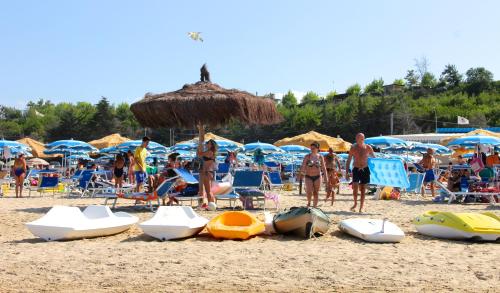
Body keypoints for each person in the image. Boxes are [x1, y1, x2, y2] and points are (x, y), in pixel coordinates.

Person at [346, 133, 375, 213]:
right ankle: (355, 203)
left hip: (365, 169)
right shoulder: (353, 148)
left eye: (362, 138)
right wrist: (346, 172)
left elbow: (374, 158)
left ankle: (361, 207)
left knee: (363, 189)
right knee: (355, 187)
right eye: (359, 138)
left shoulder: (368, 147)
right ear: (356, 139)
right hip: (356, 169)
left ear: (364, 139)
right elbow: (348, 160)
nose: (360, 139)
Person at [299, 141, 328, 208]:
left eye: (313, 148)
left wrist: (326, 179)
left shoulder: (321, 157)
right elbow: (303, 166)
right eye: (311, 148)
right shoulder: (307, 156)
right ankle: (309, 202)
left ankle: (315, 206)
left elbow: (324, 168)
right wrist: (301, 173)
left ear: (317, 149)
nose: (312, 149)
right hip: (308, 176)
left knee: (316, 192)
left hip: (318, 176)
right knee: (309, 191)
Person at [197, 131, 218, 210]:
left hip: (207, 172)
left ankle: (211, 205)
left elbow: (199, 154)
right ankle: (209, 204)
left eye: (208, 143)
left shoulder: (209, 152)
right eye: (207, 143)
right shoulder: (210, 152)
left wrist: (200, 144)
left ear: (211, 145)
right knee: (206, 190)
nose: (207, 144)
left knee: (208, 191)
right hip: (206, 172)